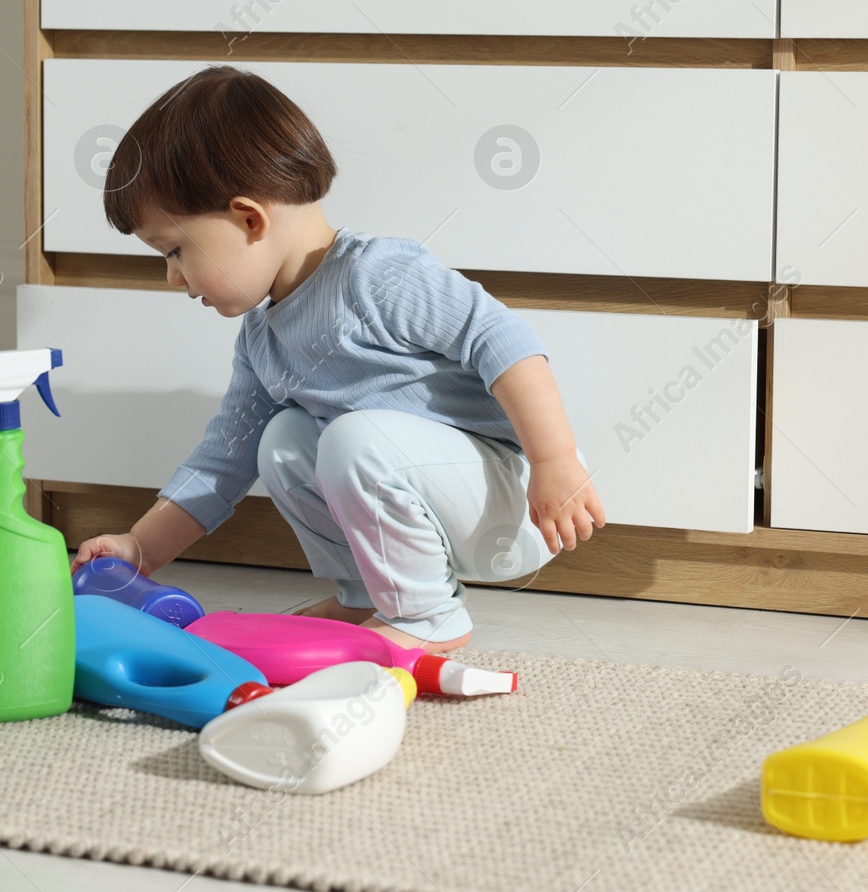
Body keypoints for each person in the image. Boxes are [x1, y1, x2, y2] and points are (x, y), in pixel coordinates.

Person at [70, 65, 605, 653]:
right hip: (428, 501)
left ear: (250, 218)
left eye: (174, 250)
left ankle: (427, 617)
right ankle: (365, 597)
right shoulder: (262, 338)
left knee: (352, 437)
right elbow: (224, 458)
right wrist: (140, 548)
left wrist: (553, 459)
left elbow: (501, 339)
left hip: (516, 495)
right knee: (280, 437)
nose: (172, 276)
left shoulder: (377, 276)